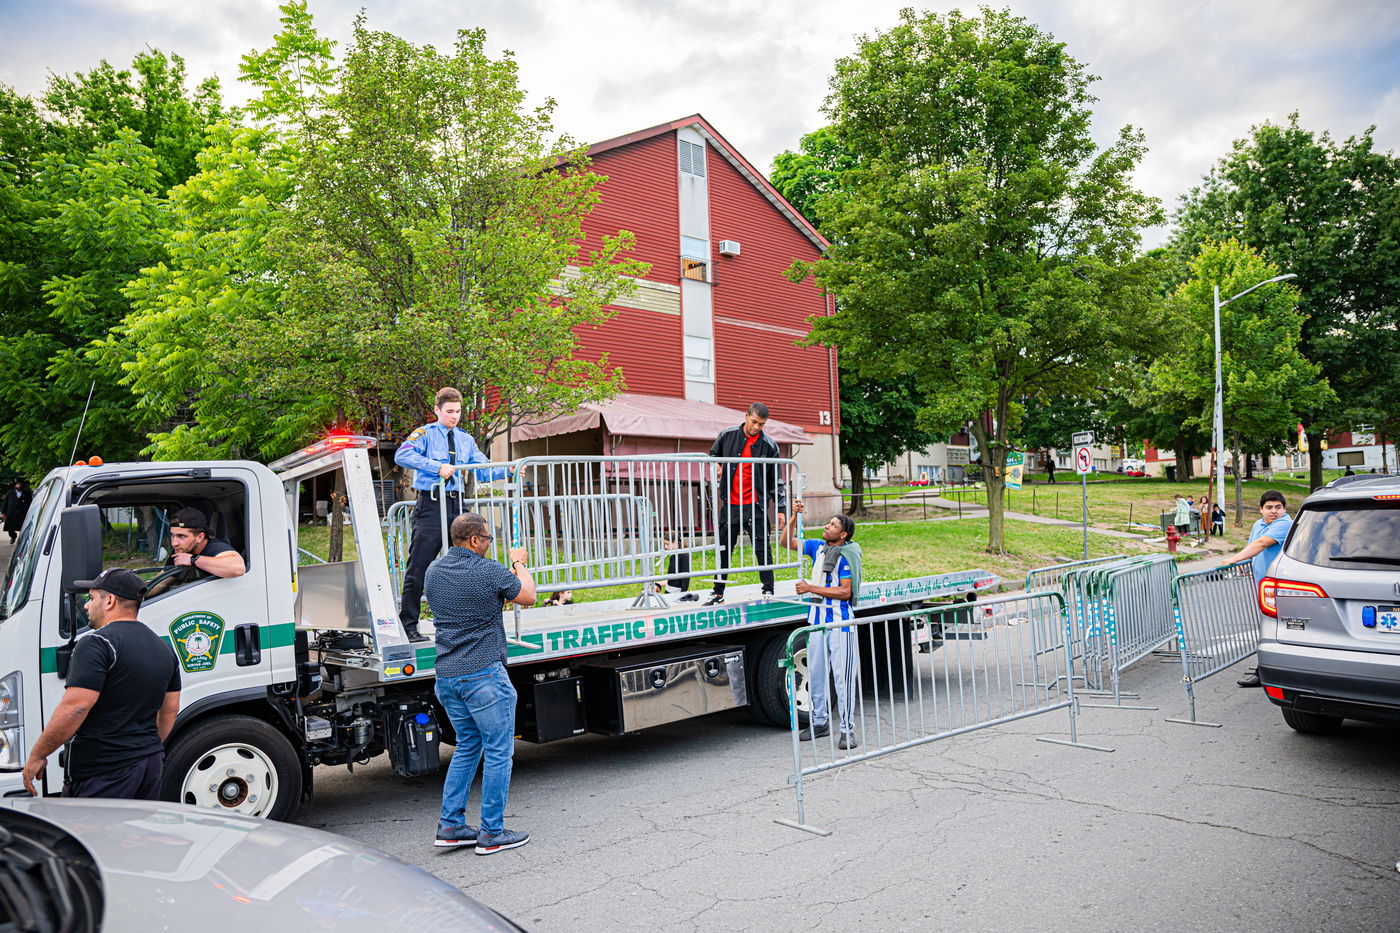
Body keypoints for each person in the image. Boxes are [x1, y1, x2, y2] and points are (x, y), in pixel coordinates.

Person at [425, 511, 535, 855]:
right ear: (474, 540)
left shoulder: (433, 570)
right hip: (484, 675)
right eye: (487, 539)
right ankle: (491, 832)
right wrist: (518, 564)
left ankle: (452, 825)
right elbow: (528, 596)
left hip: (447, 677)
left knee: (468, 747)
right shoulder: (488, 571)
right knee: (499, 752)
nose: (489, 544)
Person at [22, 569, 180, 799]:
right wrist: (142, 748)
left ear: (109, 601)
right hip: (150, 764)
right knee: (136, 833)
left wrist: (38, 755)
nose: (86, 606)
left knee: (91, 834)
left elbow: (76, 707)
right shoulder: (164, 648)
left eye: (92, 598)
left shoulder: (96, 643)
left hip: (104, 770)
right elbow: (170, 711)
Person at [395, 387, 508, 641]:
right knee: (419, 566)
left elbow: (482, 471)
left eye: (458, 411)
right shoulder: (425, 433)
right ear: (437, 410)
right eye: (449, 411)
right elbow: (402, 454)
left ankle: (471, 619)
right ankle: (409, 626)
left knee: (472, 558)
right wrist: (436, 467)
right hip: (432, 504)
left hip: (457, 505)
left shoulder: (465, 439)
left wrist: (508, 471)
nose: (454, 416)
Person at [778, 500, 862, 750]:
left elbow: (846, 592)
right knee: (815, 675)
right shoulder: (818, 547)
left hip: (839, 623)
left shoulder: (847, 555)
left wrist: (810, 588)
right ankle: (819, 722)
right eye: (828, 523)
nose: (827, 526)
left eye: (833, 525)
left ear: (843, 533)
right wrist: (793, 517)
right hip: (816, 622)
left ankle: (847, 730)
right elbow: (785, 543)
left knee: (842, 678)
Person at [705, 403, 788, 605]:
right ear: (746, 416)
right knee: (724, 548)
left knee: (762, 548)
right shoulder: (728, 435)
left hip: (756, 505)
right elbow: (713, 453)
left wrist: (780, 508)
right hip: (731, 504)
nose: (757, 427)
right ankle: (718, 592)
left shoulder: (769, 445)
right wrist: (716, 463)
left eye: (761, 424)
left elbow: (776, 479)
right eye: (754, 422)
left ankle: (768, 590)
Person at [1223, 490, 1295, 688]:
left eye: (1278, 507)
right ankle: (1269, 670)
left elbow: (1262, 544)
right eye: (1269, 507)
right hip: (1264, 587)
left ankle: (1266, 672)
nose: (1274, 511)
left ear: (1284, 509)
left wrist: (1235, 558)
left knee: (1275, 629)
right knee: (1269, 628)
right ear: (1261, 509)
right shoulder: (1258, 524)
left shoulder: (1284, 524)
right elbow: (1253, 547)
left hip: (1280, 588)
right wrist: (1246, 565)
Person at [145, 506, 247, 597]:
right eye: (173, 535)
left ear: (200, 537)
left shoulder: (215, 547)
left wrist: (193, 559)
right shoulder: (181, 551)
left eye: (181, 536)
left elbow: (237, 568)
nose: (174, 543)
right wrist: (140, 591)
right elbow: (160, 582)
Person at [3, 478, 32, 544]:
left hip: (22, 514)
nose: (19, 486)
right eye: (18, 484)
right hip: (11, 514)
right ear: (15, 485)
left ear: (22, 485)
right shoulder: (10, 493)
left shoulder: (27, 494)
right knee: (10, 529)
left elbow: (30, 504)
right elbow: (5, 503)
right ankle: (13, 536)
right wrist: (3, 512)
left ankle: (21, 540)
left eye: (20, 484)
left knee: (22, 528)